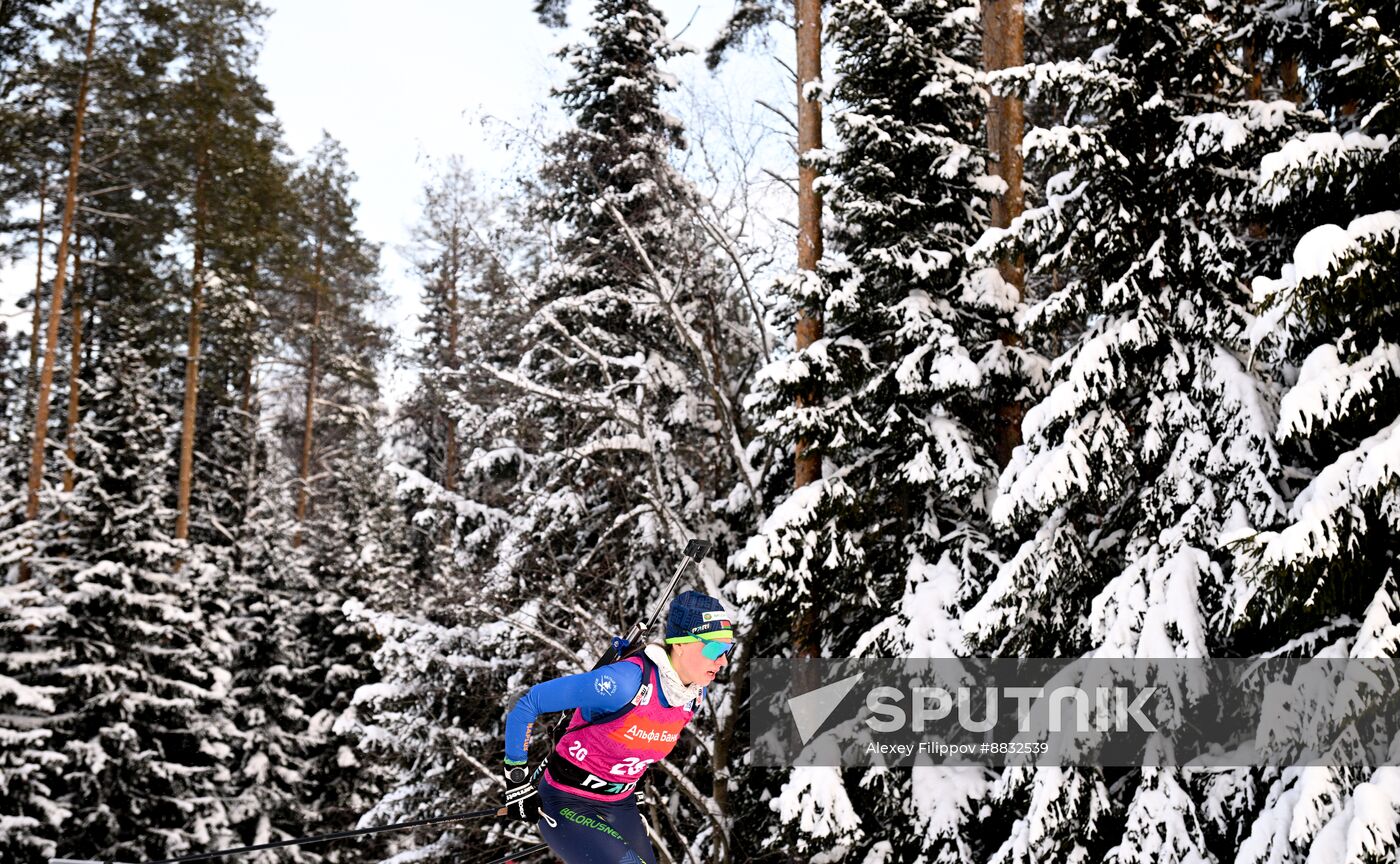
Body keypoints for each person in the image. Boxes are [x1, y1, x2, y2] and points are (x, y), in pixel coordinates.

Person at [500, 590, 735, 864]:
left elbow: (639, 742)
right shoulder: (624, 683)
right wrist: (517, 782)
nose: (723, 661)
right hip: (568, 800)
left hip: (619, 804)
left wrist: (633, 788)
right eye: (715, 649)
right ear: (680, 644)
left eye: (728, 649)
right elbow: (528, 704)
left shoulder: (692, 696)